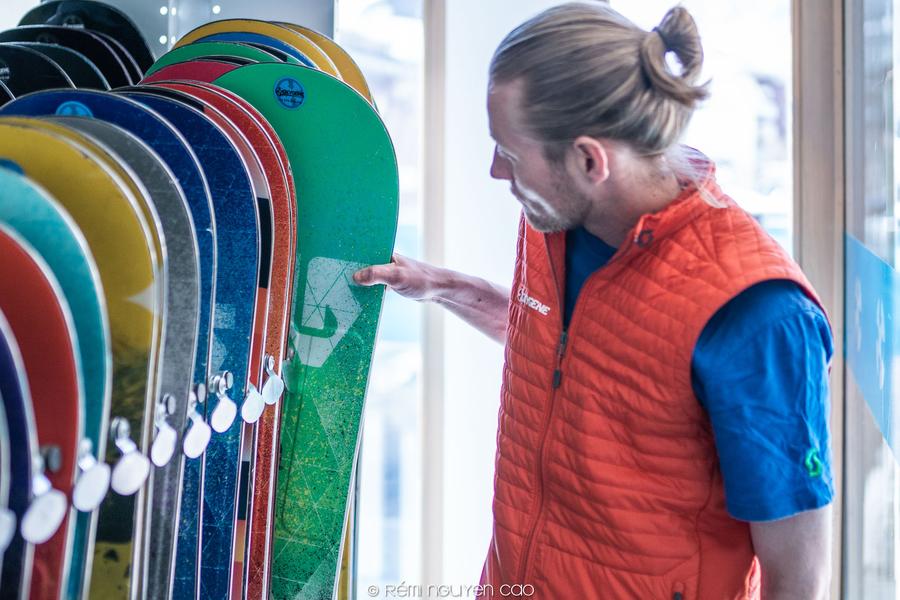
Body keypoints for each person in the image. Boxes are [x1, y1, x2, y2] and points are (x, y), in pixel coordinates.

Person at [354, 3, 834, 598]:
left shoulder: (756, 315)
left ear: (589, 160)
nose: (495, 170)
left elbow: (798, 576)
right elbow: (572, 349)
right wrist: (444, 287)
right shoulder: (555, 220)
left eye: (510, 152)